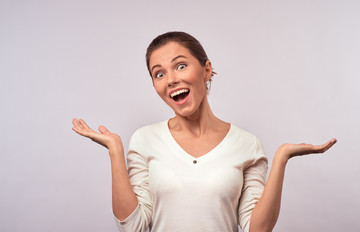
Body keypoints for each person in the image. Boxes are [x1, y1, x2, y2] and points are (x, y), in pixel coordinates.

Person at [72, 31, 337, 232]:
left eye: (181, 65)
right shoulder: (143, 140)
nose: (171, 79)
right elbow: (134, 227)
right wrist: (115, 151)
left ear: (206, 70)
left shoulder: (247, 145)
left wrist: (281, 157)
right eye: (159, 73)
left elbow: (255, 230)